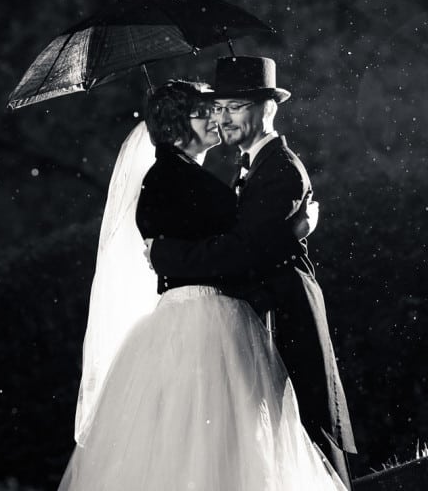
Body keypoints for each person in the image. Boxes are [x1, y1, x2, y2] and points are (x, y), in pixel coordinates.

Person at [59, 79, 346, 491]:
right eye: (203, 112)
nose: (215, 119)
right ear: (176, 126)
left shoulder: (184, 177)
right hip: (205, 318)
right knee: (217, 435)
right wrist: (295, 229)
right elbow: (235, 248)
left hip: (197, 315)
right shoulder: (173, 180)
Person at [147, 57, 357, 488]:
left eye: (236, 107)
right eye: (218, 108)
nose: (224, 119)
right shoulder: (247, 167)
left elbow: (245, 251)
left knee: (307, 435)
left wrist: (168, 257)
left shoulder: (279, 168)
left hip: (287, 314)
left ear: (269, 109)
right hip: (264, 314)